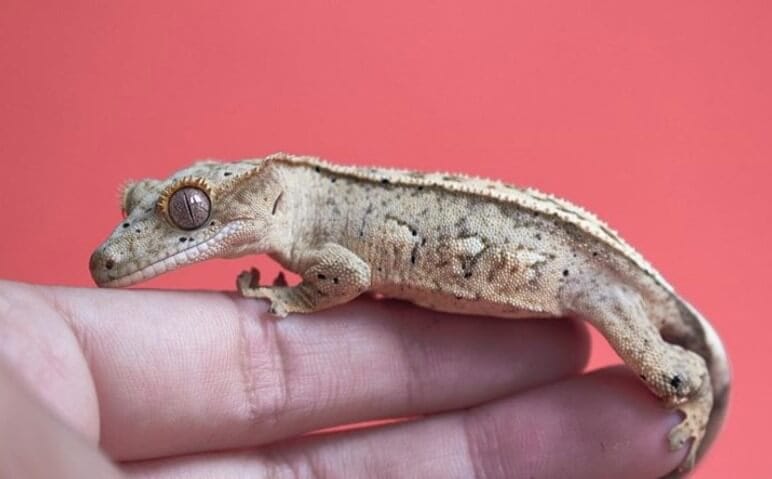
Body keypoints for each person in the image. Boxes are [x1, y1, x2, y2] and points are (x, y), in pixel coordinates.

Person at [0, 280, 686, 478]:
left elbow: (349, 274)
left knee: (666, 374)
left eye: (184, 213)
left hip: (577, 272)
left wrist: (298, 299)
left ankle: (691, 393)